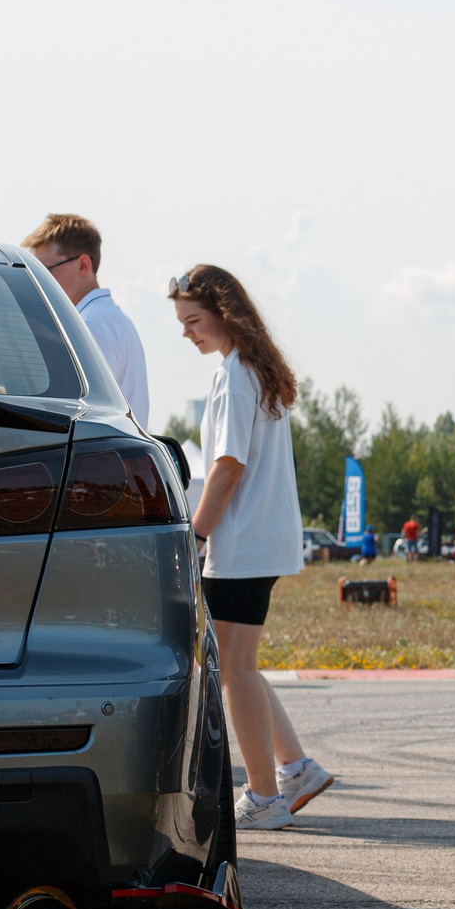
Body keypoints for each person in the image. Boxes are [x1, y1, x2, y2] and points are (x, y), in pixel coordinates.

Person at [169, 264, 335, 831]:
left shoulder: (236, 375)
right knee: (240, 663)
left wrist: (196, 533)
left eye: (193, 320)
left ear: (223, 314)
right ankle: (293, 770)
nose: (186, 332)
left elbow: (228, 465)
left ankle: (265, 797)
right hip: (259, 541)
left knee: (231, 667)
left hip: (240, 543)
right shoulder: (253, 370)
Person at [22, 214, 150, 423]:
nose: (37, 281)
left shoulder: (91, 325)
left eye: (45, 271)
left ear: (83, 265)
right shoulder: (109, 318)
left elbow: (90, 411)